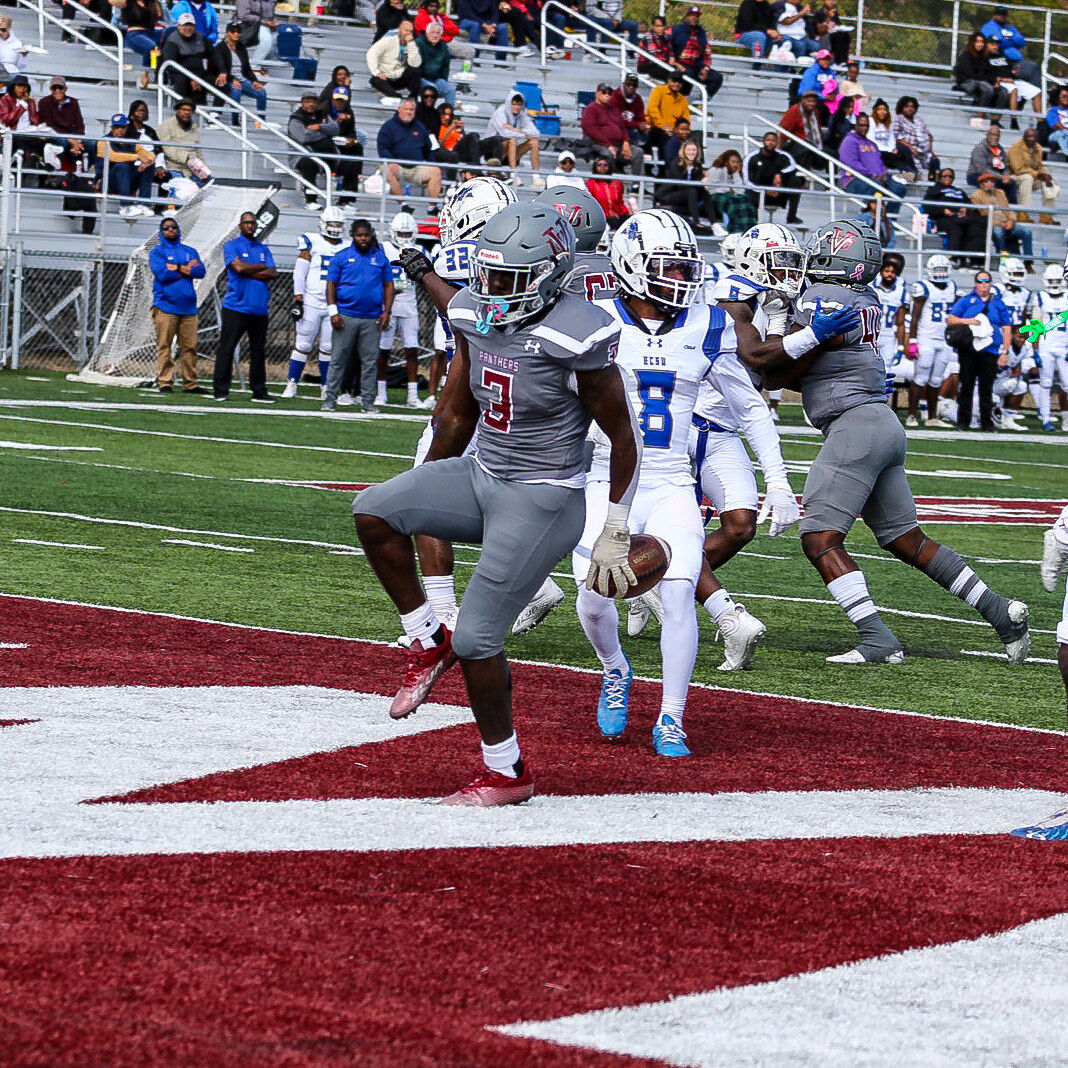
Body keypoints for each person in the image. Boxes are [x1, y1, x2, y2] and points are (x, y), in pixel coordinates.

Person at [352, 202, 639, 805]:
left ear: (551, 273)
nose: (495, 291)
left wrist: (615, 526)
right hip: (482, 472)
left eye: (511, 278)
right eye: (489, 276)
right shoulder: (470, 311)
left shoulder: (574, 333)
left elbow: (622, 437)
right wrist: (426, 486)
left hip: (544, 497)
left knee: (480, 639)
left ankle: (507, 771)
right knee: (376, 509)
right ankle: (427, 637)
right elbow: (456, 401)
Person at [769, 222, 1030, 665]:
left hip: (854, 426)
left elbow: (777, 368)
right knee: (906, 539)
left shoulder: (821, 298)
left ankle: (876, 637)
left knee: (819, 537)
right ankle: (1000, 612)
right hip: (881, 423)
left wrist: (775, 323)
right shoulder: (866, 296)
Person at [568, 210, 712, 755]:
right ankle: (615, 669)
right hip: (606, 477)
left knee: (677, 598)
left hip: (673, 480)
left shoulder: (706, 323)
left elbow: (748, 406)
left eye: (683, 268)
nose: (680, 279)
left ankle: (671, 717)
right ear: (630, 266)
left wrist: (770, 477)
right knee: (592, 596)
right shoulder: (595, 319)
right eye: (667, 267)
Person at [689, 222, 803, 667]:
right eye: (781, 261)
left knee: (740, 525)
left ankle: (671, 581)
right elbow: (757, 355)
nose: (789, 271)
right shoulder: (732, 294)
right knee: (670, 534)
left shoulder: (773, 299)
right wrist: (786, 327)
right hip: (683, 429)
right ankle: (716, 607)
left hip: (722, 433)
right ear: (755, 260)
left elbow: (771, 379)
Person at [322, 219, 393, 413]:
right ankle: (330, 399)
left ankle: (368, 401)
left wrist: (387, 311)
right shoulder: (341, 257)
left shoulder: (380, 258)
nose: (363, 238)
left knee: (370, 362)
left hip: (372, 318)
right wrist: (333, 311)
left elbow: (389, 285)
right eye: (359, 235)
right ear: (352, 236)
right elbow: (331, 285)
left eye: (366, 235)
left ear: (371, 235)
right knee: (338, 359)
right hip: (346, 316)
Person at [213, 211, 277, 402]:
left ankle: (259, 391)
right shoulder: (232, 246)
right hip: (236, 307)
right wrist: (259, 266)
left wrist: (248, 267)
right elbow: (237, 268)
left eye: (252, 223)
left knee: (258, 351)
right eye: (246, 222)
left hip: (259, 309)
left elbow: (272, 272)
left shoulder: (264, 248)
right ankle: (221, 390)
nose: (250, 225)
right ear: (240, 226)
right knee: (227, 347)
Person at [285, 206, 345, 399]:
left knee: (328, 347)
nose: (335, 228)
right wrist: (298, 298)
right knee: (302, 344)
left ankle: (326, 387)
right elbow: (300, 272)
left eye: (338, 224)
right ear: (323, 224)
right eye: (331, 224)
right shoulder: (312, 241)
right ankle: (292, 383)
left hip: (333, 303)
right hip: (311, 300)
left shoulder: (347, 246)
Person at [946, 269, 1014, 431]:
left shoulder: (998, 303)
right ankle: (963, 421)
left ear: (990, 284)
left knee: (986, 387)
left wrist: (1004, 352)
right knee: (966, 385)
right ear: (975, 284)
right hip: (969, 348)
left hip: (990, 350)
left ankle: (986, 422)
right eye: (980, 281)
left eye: (986, 281)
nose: (983, 284)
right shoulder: (966, 300)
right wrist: (969, 321)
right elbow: (951, 319)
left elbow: (1007, 328)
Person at [150, 213, 206, 395]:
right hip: (165, 306)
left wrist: (178, 268)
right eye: (166, 228)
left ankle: (190, 383)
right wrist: (187, 269)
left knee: (190, 347)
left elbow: (201, 271)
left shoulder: (189, 250)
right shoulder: (157, 252)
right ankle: (165, 381)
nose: (170, 230)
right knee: (164, 345)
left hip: (189, 307)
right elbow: (163, 275)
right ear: (161, 231)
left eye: (173, 227)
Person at [905, 254, 958, 427]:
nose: (941, 273)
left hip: (944, 340)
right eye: (938, 270)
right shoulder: (923, 287)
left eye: (943, 269)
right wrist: (912, 340)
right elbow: (915, 316)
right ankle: (912, 415)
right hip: (926, 338)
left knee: (936, 379)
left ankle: (932, 416)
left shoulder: (952, 287)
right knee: (920, 377)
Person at [376, 211, 422, 409]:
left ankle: (412, 395)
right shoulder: (383, 248)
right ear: (393, 232)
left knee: (412, 349)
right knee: (383, 349)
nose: (404, 238)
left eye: (406, 234)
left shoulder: (419, 249)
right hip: (388, 305)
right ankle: (380, 392)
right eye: (401, 234)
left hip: (409, 304)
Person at [288, 90, 362, 209]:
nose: (310, 104)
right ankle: (311, 201)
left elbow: (335, 129)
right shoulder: (295, 119)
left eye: (313, 102)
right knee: (308, 163)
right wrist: (325, 133)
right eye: (307, 102)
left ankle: (346, 201)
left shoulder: (322, 114)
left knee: (351, 163)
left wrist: (319, 127)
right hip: (304, 155)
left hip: (328, 153)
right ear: (302, 103)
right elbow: (304, 137)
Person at [838, 113, 907, 214]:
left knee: (899, 189)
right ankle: (870, 217)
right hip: (854, 180)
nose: (864, 128)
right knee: (875, 186)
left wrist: (883, 174)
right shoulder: (849, 140)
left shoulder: (872, 144)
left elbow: (880, 163)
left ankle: (890, 219)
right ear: (856, 125)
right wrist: (872, 174)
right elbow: (852, 163)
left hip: (876, 179)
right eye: (861, 125)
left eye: (866, 125)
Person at [1027, 265, 1068, 431]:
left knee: (1067, 384)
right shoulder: (1039, 297)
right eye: (1051, 281)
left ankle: (1066, 420)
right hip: (1046, 346)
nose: (1054, 284)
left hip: (1064, 345)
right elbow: (1035, 325)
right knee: (1045, 383)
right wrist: (1035, 350)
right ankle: (1045, 420)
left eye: (1057, 281)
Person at [376, 99, 442, 200]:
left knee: (435, 171)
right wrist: (390, 161)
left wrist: (432, 163)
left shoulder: (420, 127)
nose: (409, 112)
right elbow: (383, 148)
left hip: (416, 167)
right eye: (406, 109)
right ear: (399, 110)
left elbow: (427, 150)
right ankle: (403, 204)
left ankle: (433, 207)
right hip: (397, 166)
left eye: (412, 110)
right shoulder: (388, 127)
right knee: (387, 169)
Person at [96, 112, 155, 218]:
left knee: (148, 167)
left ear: (126, 127)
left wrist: (148, 162)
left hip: (126, 181)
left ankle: (143, 204)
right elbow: (113, 156)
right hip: (107, 182)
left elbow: (149, 154)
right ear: (111, 128)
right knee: (122, 166)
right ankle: (125, 206)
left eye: (122, 127)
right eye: (116, 127)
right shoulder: (103, 141)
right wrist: (137, 157)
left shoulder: (130, 141)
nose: (120, 130)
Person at [922, 167, 984, 263]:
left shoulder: (959, 191)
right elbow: (927, 206)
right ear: (940, 177)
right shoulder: (934, 190)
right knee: (956, 227)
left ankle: (976, 260)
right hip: (944, 218)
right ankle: (955, 258)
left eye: (950, 176)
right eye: (945, 176)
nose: (947, 178)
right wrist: (943, 210)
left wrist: (966, 210)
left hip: (961, 217)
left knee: (979, 222)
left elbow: (970, 205)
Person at [581, 82, 643, 176]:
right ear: (597, 94)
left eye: (609, 93)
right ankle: (614, 182)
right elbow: (591, 130)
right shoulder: (591, 109)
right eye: (604, 92)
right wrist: (608, 145)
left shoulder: (614, 109)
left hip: (618, 145)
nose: (607, 95)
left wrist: (626, 142)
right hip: (597, 144)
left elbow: (623, 127)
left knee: (638, 152)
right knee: (607, 153)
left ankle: (637, 185)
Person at [212, 20, 267, 124]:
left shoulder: (241, 47)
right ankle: (235, 121)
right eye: (233, 32)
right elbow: (220, 69)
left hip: (243, 79)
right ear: (228, 33)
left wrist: (254, 80)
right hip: (228, 80)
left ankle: (261, 121)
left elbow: (247, 67)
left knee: (261, 92)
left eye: (238, 32)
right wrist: (232, 80)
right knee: (236, 91)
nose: (236, 34)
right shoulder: (220, 48)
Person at [972, 172, 1032, 262]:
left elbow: (1008, 210)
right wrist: (999, 224)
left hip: (1007, 222)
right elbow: (981, 217)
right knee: (998, 233)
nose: (990, 183)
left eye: (992, 181)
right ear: (981, 184)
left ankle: (1028, 262)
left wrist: (1011, 220)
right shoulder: (976, 196)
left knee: (1027, 232)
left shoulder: (1000, 193)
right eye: (986, 181)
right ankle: (1003, 260)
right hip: (992, 224)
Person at [743, 131, 802, 224]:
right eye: (768, 140)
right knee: (749, 192)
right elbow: (747, 181)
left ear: (777, 142)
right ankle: (753, 221)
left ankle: (791, 217)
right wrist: (765, 191)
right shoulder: (752, 157)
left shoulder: (783, 156)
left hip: (778, 194)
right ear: (763, 142)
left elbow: (793, 167)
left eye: (773, 140)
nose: (770, 143)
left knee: (795, 181)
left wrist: (780, 175)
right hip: (758, 193)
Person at [657, 140, 717, 232]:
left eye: (694, 150)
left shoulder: (697, 165)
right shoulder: (676, 163)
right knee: (692, 191)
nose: (691, 152)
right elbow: (681, 184)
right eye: (689, 150)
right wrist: (700, 182)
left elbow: (699, 184)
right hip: (671, 194)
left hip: (688, 196)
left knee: (705, 193)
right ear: (683, 151)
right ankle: (696, 222)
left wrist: (704, 183)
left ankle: (714, 223)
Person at [36, 76, 89, 173]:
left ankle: (89, 173)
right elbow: (49, 125)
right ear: (50, 89)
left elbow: (79, 123)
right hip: (53, 134)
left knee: (92, 144)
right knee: (62, 144)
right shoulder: (44, 102)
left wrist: (78, 140)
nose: (57, 90)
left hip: (72, 135)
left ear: (65, 89)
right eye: (54, 88)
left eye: (60, 88)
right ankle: (57, 174)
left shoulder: (73, 102)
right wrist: (71, 140)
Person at [670, 6, 722, 99]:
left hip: (697, 66)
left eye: (697, 16)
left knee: (717, 77)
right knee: (688, 75)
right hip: (681, 64)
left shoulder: (701, 32)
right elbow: (667, 45)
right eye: (691, 15)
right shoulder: (677, 30)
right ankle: (681, 101)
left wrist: (705, 68)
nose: (694, 18)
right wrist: (673, 60)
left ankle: (701, 102)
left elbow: (707, 53)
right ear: (686, 17)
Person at [1008, 126, 1056, 222]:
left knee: (1050, 182)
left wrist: (1044, 175)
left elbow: (1039, 165)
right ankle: (1023, 213)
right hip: (1014, 176)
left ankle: (1047, 215)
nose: (1031, 139)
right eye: (1029, 136)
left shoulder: (1037, 147)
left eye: (1034, 137)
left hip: (1032, 175)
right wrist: (1037, 174)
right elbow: (1018, 169)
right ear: (1024, 137)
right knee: (1027, 178)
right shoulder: (1016, 147)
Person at [160, 13, 212, 102]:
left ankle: (210, 112)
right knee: (181, 81)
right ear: (179, 26)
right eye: (185, 25)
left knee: (212, 80)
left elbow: (213, 54)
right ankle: (181, 107)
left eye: (190, 25)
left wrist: (222, 72)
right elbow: (170, 64)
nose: (188, 28)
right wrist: (191, 78)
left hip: (197, 74)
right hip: (179, 73)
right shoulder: (172, 40)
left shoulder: (200, 37)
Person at [870, 251, 907, 373]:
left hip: (888, 335)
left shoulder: (900, 291)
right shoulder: (872, 287)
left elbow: (900, 322)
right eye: (887, 271)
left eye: (892, 272)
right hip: (871, 333)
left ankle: (882, 393)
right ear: (881, 271)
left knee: (886, 371)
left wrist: (901, 346)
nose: (889, 275)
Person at [159, 98, 210, 186]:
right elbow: (166, 148)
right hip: (174, 168)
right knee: (183, 190)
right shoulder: (166, 125)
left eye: (189, 110)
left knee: (211, 185)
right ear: (177, 110)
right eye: (184, 110)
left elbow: (198, 151)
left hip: (193, 170)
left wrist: (203, 169)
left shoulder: (193, 127)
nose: (187, 112)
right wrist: (186, 158)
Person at [953, 31, 1010, 110]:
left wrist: (994, 82)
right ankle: (980, 115)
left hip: (981, 81)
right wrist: (990, 80)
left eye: (982, 42)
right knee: (987, 88)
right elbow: (970, 74)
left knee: (1002, 91)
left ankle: (995, 119)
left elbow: (989, 72)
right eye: (978, 42)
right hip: (967, 81)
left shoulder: (984, 57)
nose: (981, 44)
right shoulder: (966, 55)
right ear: (973, 43)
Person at [485, 92, 540, 174]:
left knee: (534, 142)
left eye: (519, 105)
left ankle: (536, 176)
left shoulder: (522, 114)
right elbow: (505, 133)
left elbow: (536, 133)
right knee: (512, 139)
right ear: (509, 103)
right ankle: (514, 174)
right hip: (492, 151)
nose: (516, 107)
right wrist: (525, 135)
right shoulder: (500, 112)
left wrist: (516, 129)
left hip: (510, 152)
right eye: (514, 104)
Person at [367, 20, 422, 99]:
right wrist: (376, 72)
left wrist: (410, 43)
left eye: (410, 31)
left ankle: (412, 98)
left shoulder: (412, 44)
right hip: (386, 76)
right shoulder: (388, 40)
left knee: (416, 71)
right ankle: (396, 97)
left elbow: (415, 64)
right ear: (399, 30)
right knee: (375, 80)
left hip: (400, 77)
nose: (408, 33)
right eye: (406, 30)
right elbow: (372, 53)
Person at [708, 149, 758, 233]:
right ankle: (735, 231)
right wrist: (728, 189)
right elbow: (712, 188)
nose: (735, 164)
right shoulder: (715, 170)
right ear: (726, 162)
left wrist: (736, 173)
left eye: (737, 162)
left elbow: (740, 191)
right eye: (733, 162)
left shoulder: (735, 173)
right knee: (731, 203)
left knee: (746, 200)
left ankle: (750, 230)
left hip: (731, 196)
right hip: (715, 197)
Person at [890, 95, 938, 181]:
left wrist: (931, 151)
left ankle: (933, 183)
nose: (910, 109)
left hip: (921, 151)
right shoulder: (898, 119)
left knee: (935, 160)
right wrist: (911, 148)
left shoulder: (919, 120)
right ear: (901, 107)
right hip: (908, 149)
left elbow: (928, 137)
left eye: (912, 107)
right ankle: (914, 174)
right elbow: (898, 138)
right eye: (907, 106)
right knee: (904, 150)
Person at [646, 72, 689, 159]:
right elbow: (652, 109)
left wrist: (681, 131)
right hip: (655, 128)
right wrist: (663, 126)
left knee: (694, 138)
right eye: (674, 81)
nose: (676, 84)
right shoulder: (659, 90)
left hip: (673, 131)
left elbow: (685, 119)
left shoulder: (683, 99)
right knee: (665, 137)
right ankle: (663, 169)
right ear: (668, 80)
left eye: (679, 82)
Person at [779, 89, 825, 171]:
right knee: (807, 148)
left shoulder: (816, 112)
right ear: (803, 100)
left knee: (832, 153)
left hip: (813, 145)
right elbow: (782, 129)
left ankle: (832, 181)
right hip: (795, 144)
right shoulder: (795, 110)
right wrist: (778, 148)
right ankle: (802, 175)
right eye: (809, 101)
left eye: (814, 101)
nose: (811, 104)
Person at [967, 124, 1015, 198]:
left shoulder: (1000, 150)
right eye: (993, 135)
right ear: (988, 135)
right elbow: (982, 169)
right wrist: (1000, 177)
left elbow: (1005, 167)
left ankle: (1011, 206)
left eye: (997, 135)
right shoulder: (980, 149)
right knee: (992, 183)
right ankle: (993, 206)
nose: (995, 137)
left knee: (1012, 183)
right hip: (975, 175)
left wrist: (1006, 176)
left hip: (996, 176)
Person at [416, 21, 454, 108]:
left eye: (438, 33)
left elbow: (445, 66)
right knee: (432, 89)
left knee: (451, 90)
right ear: (427, 33)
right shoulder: (419, 43)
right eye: (432, 32)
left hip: (437, 79)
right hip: (422, 78)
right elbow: (417, 66)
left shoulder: (443, 46)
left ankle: (449, 114)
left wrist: (443, 80)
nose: (435, 35)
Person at [586, 155, 630, 228]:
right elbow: (591, 205)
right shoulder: (590, 183)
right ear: (595, 167)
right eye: (599, 165)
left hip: (617, 216)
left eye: (605, 165)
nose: (602, 167)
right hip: (599, 217)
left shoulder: (617, 183)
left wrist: (626, 212)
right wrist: (607, 214)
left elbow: (620, 202)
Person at [118, 0, 164, 69]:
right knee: (151, 46)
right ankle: (146, 73)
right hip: (134, 35)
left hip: (152, 32)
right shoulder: (128, 2)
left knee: (171, 31)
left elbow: (160, 14)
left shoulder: (151, 3)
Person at [234, 0, 278, 68]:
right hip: (247, 26)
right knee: (266, 38)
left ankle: (265, 67)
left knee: (276, 38)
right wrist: (265, 22)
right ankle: (254, 67)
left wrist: (274, 22)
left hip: (264, 26)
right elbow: (243, 16)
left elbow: (272, 15)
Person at [611, 75, 649, 152]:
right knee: (632, 134)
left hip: (632, 128)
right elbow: (617, 120)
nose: (631, 87)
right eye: (628, 84)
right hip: (617, 127)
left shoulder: (638, 99)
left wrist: (643, 125)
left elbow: (640, 118)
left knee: (649, 134)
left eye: (634, 85)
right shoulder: (615, 96)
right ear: (624, 84)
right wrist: (637, 125)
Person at [1046, 87, 1068, 158]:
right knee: (1061, 134)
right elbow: (1056, 126)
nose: (1067, 98)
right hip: (1056, 134)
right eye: (1064, 96)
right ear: (1057, 98)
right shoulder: (1053, 111)